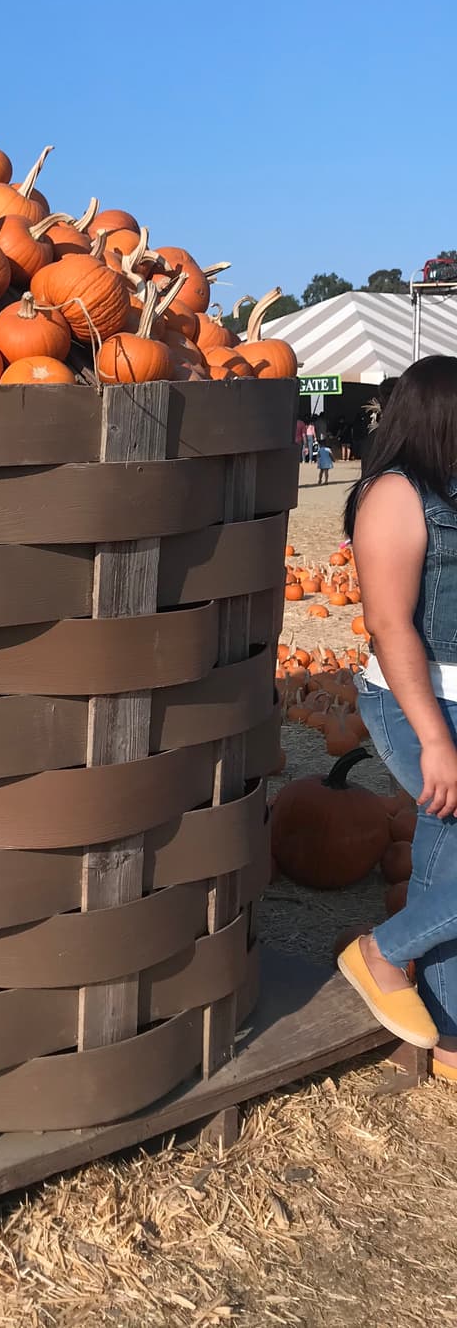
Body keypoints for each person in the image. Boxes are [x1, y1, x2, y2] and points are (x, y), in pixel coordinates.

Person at [338, 355, 457, 1066]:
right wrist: (435, 738)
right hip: (413, 699)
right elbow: (390, 623)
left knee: (446, 863)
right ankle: (379, 953)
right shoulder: (394, 495)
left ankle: (446, 1030)